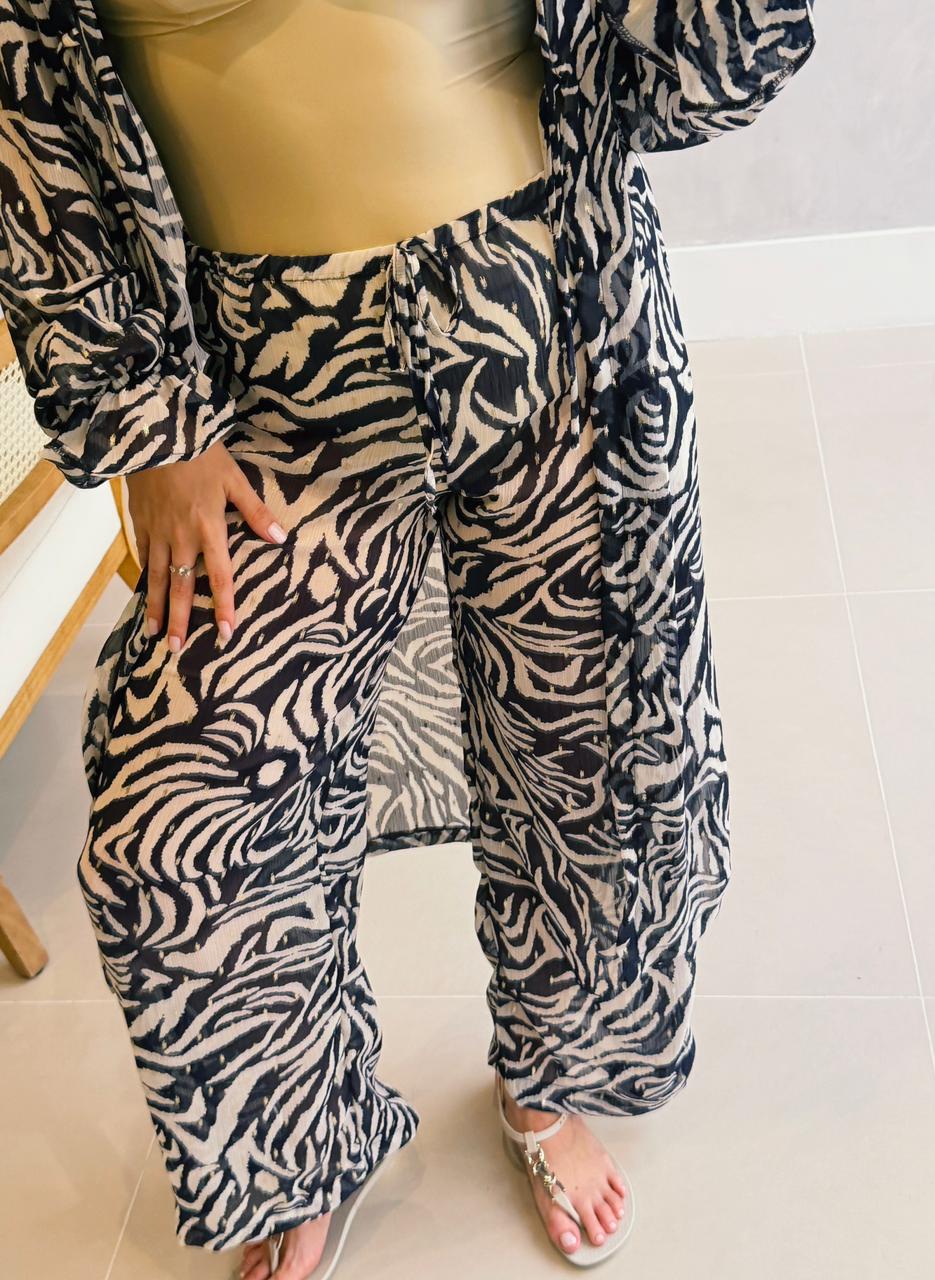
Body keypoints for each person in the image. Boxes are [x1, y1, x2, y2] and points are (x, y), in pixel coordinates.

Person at [0, 1, 816, 1276]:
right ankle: (298, 1142)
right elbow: (26, 112)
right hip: (263, 391)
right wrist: (150, 424)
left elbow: (709, 72)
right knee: (177, 824)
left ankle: (551, 1077)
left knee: (593, 748)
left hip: (548, 310)